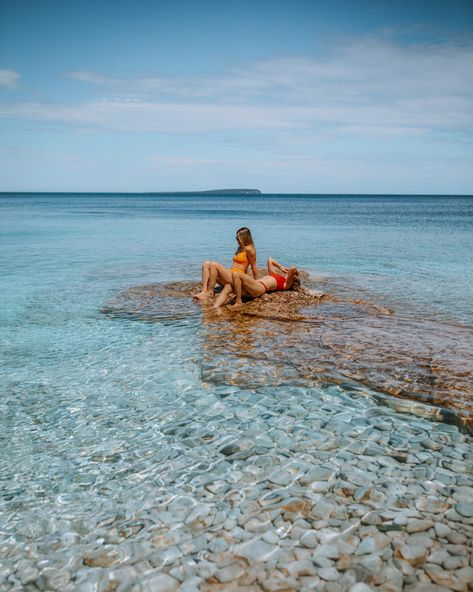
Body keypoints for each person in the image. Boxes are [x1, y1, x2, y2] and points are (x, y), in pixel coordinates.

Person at [193, 227, 257, 300]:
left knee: (214, 265)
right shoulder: (240, 248)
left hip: (236, 278)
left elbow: (254, 267)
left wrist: (256, 285)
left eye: (238, 238)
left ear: (244, 238)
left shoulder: (250, 249)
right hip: (229, 275)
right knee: (206, 264)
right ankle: (204, 291)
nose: (236, 240)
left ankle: (210, 293)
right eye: (236, 238)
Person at [214, 257, 300, 307]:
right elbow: (270, 259)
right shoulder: (274, 274)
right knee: (228, 287)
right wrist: (281, 267)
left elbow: (293, 269)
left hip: (259, 288)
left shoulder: (286, 284)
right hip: (252, 287)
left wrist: (296, 274)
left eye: (292, 277)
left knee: (236, 274)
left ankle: (238, 301)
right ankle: (215, 308)